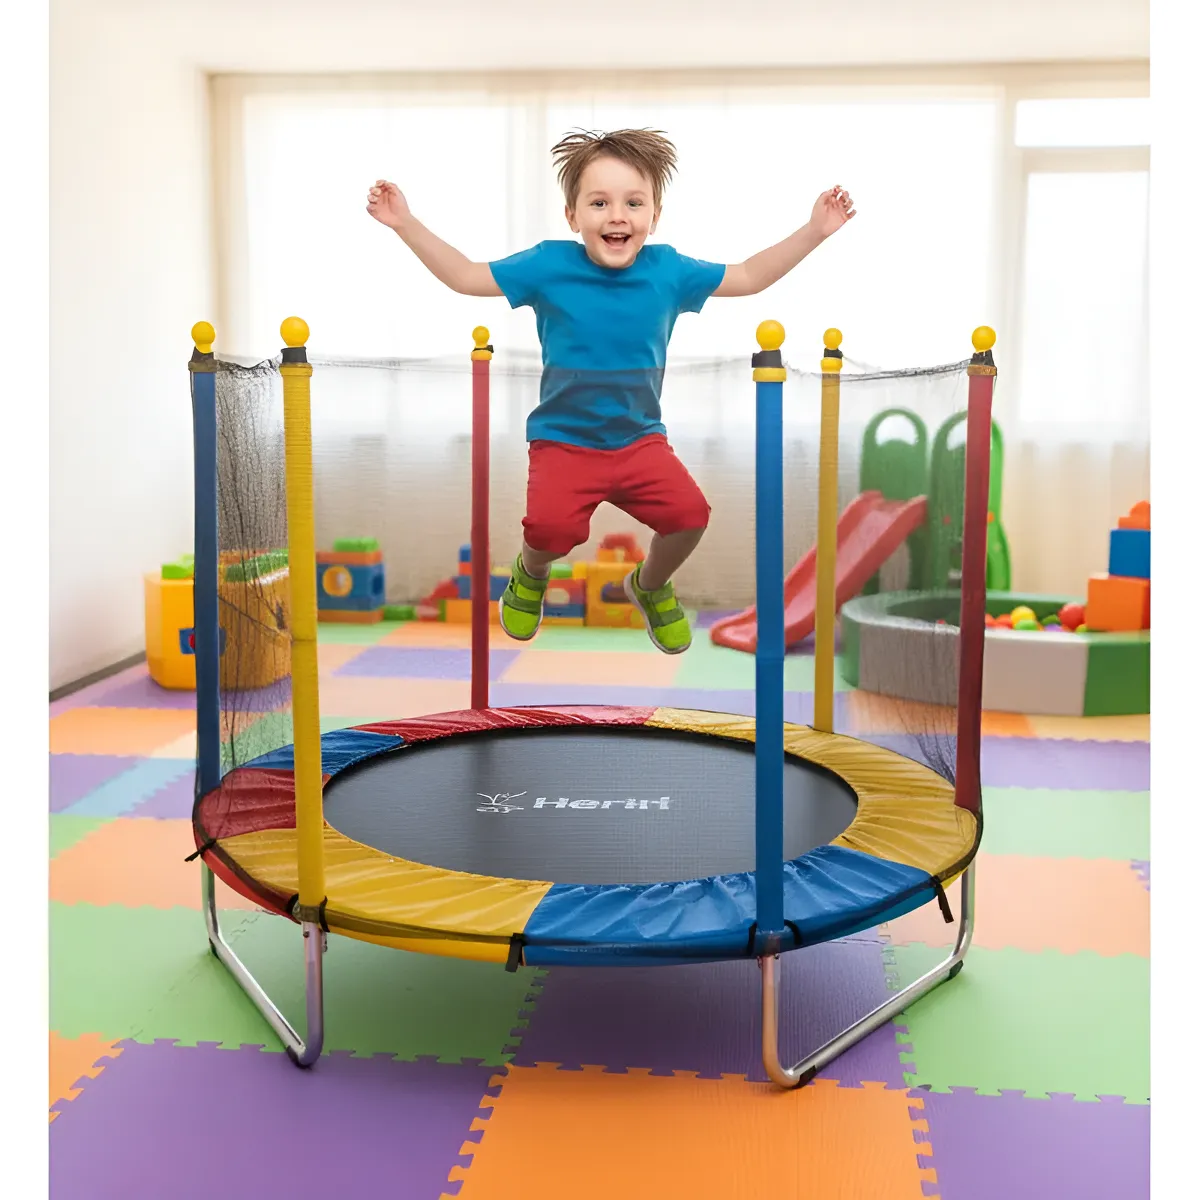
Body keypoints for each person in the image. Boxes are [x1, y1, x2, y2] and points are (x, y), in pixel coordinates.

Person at [367, 128, 855, 652]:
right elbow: (466, 276)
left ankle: (649, 585)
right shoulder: (549, 265)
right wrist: (405, 223)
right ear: (572, 215)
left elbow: (750, 275)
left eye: (633, 203)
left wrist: (815, 231)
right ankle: (531, 573)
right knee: (548, 532)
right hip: (564, 442)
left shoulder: (668, 270)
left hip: (639, 441)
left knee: (690, 517)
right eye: (599, 203)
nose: (617, 216)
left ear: (655, 215)